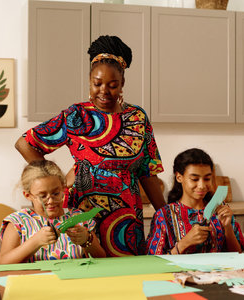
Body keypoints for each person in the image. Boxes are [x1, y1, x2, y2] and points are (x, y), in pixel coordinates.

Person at [15, 35, 166, 257]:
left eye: (112, 85)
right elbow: (24, 144)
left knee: (127, 279)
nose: (104, 90)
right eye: (97, 84)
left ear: (122, 83)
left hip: (126, 217)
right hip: (83, 213)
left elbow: (148, 171)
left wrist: (166, 215)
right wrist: (55, 179)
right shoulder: (76, 116)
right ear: (89, 81)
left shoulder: (137, 117)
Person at [0, 160, 106, 264]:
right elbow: (4, 262)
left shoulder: (78, 218)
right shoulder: (19, 222)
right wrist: (35, 242)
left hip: (74, 280)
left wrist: (87, 239)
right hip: (34, 281)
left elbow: (102, 259)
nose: (50, 201)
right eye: (42, 196)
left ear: (63, 189)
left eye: (56, 193)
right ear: (28, 195)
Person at [146, 148, 244, 255]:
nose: (202, 186)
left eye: (207, 179)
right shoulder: (164, 216)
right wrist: (184, 243)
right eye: (195, 179)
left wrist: (228, 228)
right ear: (179, 177)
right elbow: (153, 261)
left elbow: (237, 255)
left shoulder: (221, 210)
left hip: (220, 271)